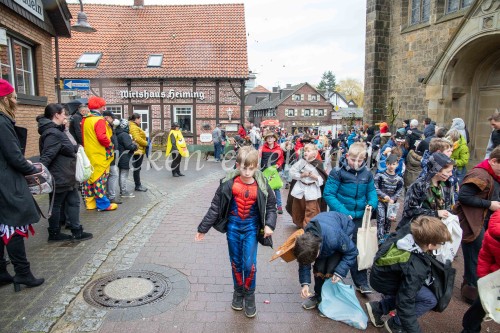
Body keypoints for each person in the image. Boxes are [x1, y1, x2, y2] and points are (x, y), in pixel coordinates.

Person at [195, 146, 277, 318]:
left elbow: (271, 207)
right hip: (233, 227)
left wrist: (269, 225)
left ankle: (250, 295)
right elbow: (215, 207)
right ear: (238, 165)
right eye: (243, 168)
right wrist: (203, 228)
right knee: (236, 262)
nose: (247, 172)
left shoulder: (262, 185)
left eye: (251, 168)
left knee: (249, 264)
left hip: (251, 228)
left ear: (256, 166)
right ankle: (238, 292)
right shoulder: (228, 183)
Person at [366, 216, 452, 332]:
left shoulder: (407, 231)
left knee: (411, 290)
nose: (441, 245)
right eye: (441, 243)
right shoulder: (416, 267)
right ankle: (395, 325)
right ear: (430, 245)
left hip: (380, 275)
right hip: (384, 282)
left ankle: (379, 308)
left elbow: (417, 214)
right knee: (429, 299)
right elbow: (405, 302)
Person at [0, 79, 44, 291]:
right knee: (14, 226)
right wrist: (32, 169)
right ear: (6, 99)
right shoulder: (1, 123)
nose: (17, 101)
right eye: (15, 97)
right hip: (7, 182)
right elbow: (13, 157)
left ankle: (1, 271)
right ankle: (22, 274)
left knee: (2, 226)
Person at [323, 142, 378, 294]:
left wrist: (372, 204)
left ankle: (361, 282)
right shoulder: (337, 172)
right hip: (341, 217)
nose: (355, 164)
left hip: (359, 216)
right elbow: (329, 194)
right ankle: (329, 280)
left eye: (359, 161)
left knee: (357, 248)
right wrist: (342, 211)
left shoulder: (367, 174)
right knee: (336, 247)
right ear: (347, 156)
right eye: (353, 160)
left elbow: (371, 191)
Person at [37, 104, 93, 242]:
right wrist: (39, 174)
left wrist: (75, 147)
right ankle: (54, 233)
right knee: (56, 205)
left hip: (67, 174)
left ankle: (77, 230)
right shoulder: (52, 133)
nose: (66, 116)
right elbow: (47, 155)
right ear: (56, 115)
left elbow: (62, 148)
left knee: (74, 202)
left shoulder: (57, 131)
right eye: (63, 114)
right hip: (59, 176)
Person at [454, 146, 500, 304]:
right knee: (475, 259)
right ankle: (471, 294)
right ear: (493, 161)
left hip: (484, 222)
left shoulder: (493, 174)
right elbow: (463, 196)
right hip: (472, 223)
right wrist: (489, 204)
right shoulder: (479, 174)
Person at [295, 211, 358, 311]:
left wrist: (339, 272)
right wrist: (305, 284)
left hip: (343, 229)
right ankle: (318, 295)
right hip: (326, 231)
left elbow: (352, 252)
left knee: (332, 268)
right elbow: (304, 262)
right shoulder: (306, 240)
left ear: (318, 250)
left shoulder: (334, 238)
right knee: (319, 267)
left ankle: (330, 299)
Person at [461, 210, 500, 333]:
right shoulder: (494, 230)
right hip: (494, 278)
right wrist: (483, 279)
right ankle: (469, 329)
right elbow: (485, 256)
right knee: (480, 306)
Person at [81, 96, 118, 212]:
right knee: (99, 180)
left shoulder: (85, 119)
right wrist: (110, 145)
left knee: (89, 180)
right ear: (100, 106)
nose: (104, 108)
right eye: (103, 106)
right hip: (99, 154)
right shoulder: (99, 120)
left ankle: (90, 203)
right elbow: (102, 137)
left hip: (88, 153)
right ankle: (103, 204)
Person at [399, 153, 455, 228]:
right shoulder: (419, 185)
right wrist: (435, 213)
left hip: (439, 228)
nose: (451, 174)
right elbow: (409, 211)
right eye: (448, 171)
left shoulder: (447, 185)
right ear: (436, 171)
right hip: (420, 229)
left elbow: (449, 205)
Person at [287, 144, 328, 228]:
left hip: (312, 189)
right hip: (300, 188)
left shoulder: (318, 163)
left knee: (311, 209)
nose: (306, 153)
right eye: (305, 151)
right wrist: (301, 175)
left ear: (314, 153)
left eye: (308, 151)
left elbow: (322, 178)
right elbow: (292, 172)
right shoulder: (301, 162)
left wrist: (315, 177)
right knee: (298, 208)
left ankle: (307, 227)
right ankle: (300, 224)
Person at [374, 154, 404, 243]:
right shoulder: (380, 175)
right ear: (386, 164)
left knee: (389, 219)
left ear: (397, 165)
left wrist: (393, 198)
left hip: (391, 203)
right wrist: (384, 196)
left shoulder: (399, 179)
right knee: (381, 218)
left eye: (394, 164)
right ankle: (380, 236)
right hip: (381, 201)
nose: (391, 166)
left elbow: (399, 190)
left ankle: (386, 234)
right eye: (389, 164)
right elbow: (375, 187)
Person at [259, 130, 284, 214]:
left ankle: (279, 206)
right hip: (264, 170)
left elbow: (281, 158)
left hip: (274, 171)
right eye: (267, 138)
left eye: (271, 138)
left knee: (276, 188)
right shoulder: (262, 148)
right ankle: (265, 206)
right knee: (264, 188)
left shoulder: (278, 148)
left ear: (274, 139)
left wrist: (278, 164)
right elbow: (258, 158)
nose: (269, 139)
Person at [102, 111, 122, 204]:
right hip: (108, 154)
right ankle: (111, 196)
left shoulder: (110, 127)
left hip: (111, 154)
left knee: (111, 175)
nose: (113, 120)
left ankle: (109, 195)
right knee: (113, 175)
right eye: (111, 118)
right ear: (107, 117)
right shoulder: (105, 126)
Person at [115, 119, 138, 199]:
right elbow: (129, 146)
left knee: (121, 174)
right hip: (125, 156)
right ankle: (124, 192)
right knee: (124, 174)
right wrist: (135, 145)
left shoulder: (117, 133)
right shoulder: (124, 135)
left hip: (120, 156)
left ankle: (122, 190)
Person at [128, 113, 148, 192]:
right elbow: (137, 138)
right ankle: (138, 185)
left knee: (137, 168)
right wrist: (146, 143)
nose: (140, 121)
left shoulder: (133, 126)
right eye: (140, 119)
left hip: (138, 150)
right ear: (136, 119)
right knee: (137, 168)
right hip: (137, 150)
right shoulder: (133, 127)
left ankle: (138, 184)